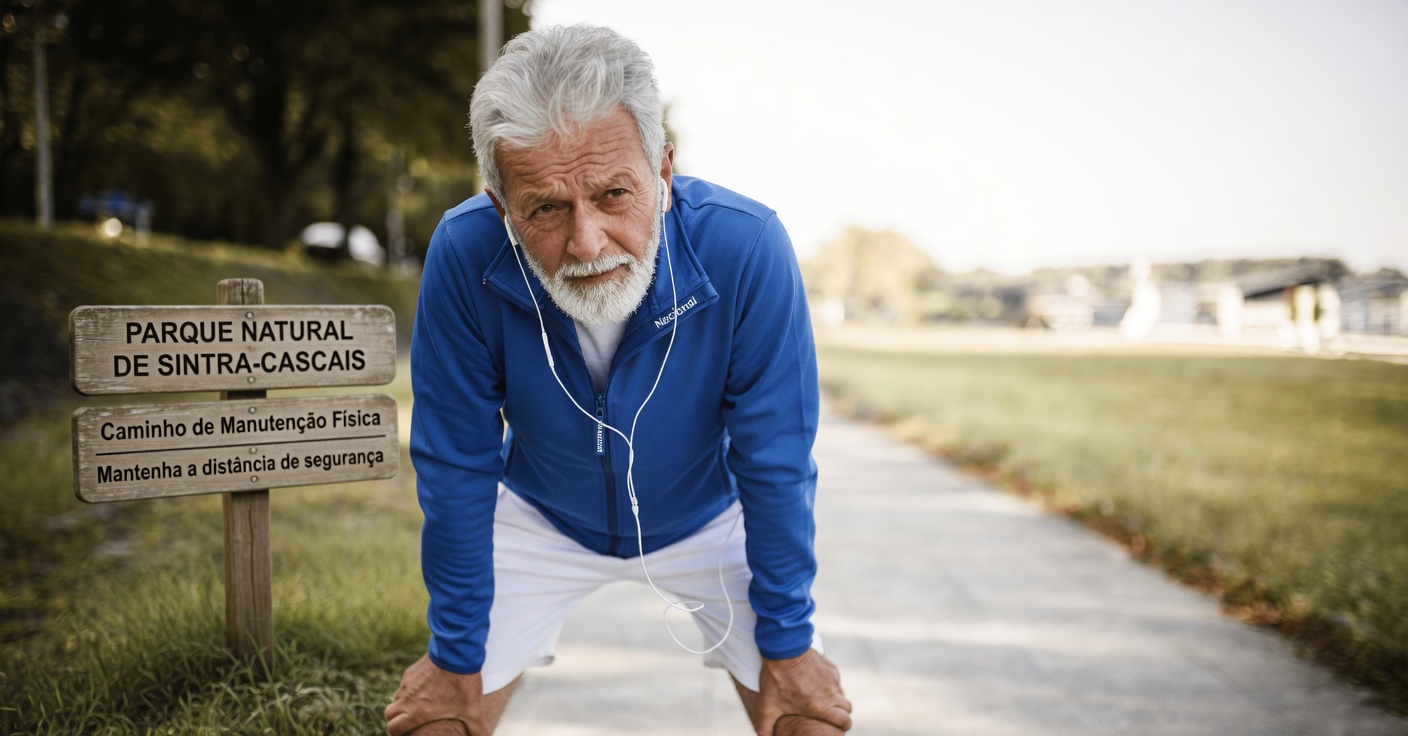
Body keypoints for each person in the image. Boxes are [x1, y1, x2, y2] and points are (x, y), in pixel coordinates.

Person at [385, 24, 851, 736]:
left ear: (663, 171)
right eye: (544, 207)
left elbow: (777, 460)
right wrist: (454, 655)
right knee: (439, 717)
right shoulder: (463, 250)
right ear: (501, 203)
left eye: (612, 194)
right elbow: (455, 462)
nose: (587, 242)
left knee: (805, 711)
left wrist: (788, 639)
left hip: (705, 516)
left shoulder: (747, 247)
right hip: (542, 515)